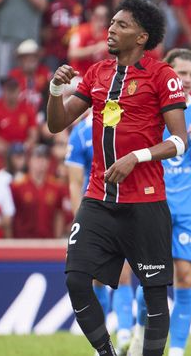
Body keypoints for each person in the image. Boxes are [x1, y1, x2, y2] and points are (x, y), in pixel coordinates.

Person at [47, 0, 188, 356]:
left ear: (141, 37)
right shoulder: (96, 72)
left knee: (155, 296)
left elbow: (179, 141)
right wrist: (54, 90)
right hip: (99, 199)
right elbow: (56, 123)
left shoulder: (162, 75)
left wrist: (137, 157)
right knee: (77, 279)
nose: (111, 29)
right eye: (111, 22)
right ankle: (106, 352)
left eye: (121, 25)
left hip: (146, 203)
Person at [129, 48, 191, 356]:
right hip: (154, 202)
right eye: (182, 73)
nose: (188, 80)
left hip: (190, 206)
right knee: (152, 278)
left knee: (185, 276)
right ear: (169, 72)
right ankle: (141, 334)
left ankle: (177, 352)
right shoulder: (148, 109)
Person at [66, 107, 135, 354]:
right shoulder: (81, 132)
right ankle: (104, 339)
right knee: (96, 277)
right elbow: (74, 181)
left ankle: (126, 333)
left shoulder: (124, 120)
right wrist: (79, 219)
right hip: (94, 209)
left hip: (125, 204)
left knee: (124, 272)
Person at [11, 145, 67, 238]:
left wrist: (57, 239)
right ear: (30, 161)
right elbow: (11, 215)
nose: (41, 162)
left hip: (48, 241)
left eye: (45, 158)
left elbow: (59, 215)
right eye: (38, 157)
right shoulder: (17, 186)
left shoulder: (56, 187)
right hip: (23, 241)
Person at [68, 4, 110, 75]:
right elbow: (72, 53)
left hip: (97, 78)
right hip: (78, 75)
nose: (101, 19)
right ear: (92, 16)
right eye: (98, 16)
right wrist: (96, 48)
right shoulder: (81, 30)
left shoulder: (108, 35)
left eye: (104, 17)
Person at [8, 39, 52, 109]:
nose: (30, 60)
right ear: (20, 60)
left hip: (42, 113)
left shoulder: (45, 72)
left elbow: (53, 93)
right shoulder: (13, 75)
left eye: (34, 57)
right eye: (26, 57)